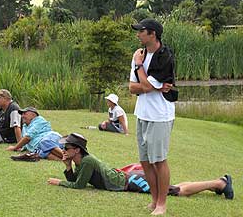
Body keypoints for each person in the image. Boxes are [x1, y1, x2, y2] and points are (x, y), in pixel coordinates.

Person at [48, 133, 234, 203]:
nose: (63, 149)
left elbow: (78, 186)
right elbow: (76, 180)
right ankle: (212, 185)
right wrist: (67, 166)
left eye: (66, 147)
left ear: (77, 150)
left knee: (176, 191)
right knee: (172, 187)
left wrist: (59, 183)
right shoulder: (80, 161)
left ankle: (220, 183)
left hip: (131, 181)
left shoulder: (87, 161)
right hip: (127, 178)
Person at [128, 19, 177, 215]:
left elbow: (146, 86)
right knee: (146, 161)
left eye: (141, 31)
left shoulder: (164, 56)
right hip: (142, 113)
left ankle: (162, 204)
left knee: (159, 160)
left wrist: (140, 68)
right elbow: (133, 88)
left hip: (160, 116)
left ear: (153, 34)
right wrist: (150, 85)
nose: (138, 34)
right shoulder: (138, 54)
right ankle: (154, 200)